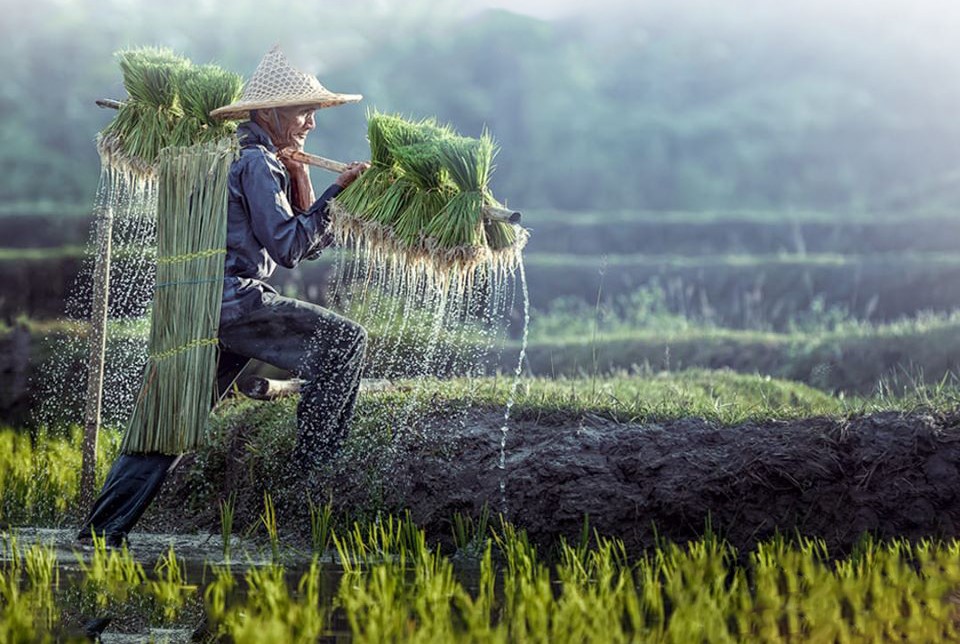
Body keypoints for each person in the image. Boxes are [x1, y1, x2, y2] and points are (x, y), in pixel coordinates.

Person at [78, 46, 369, 546]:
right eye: (303, 111)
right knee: (344, 342)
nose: (310, 123)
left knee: (165, 427)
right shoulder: (256, 162)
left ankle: (99, 535)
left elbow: (297, 240)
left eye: (314, 112)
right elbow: (289, 247)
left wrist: (301, 178)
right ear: (269, 113)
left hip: (198, 308)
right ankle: (316, 480)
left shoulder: (232, 152)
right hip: (236, 304)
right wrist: (335, 195)